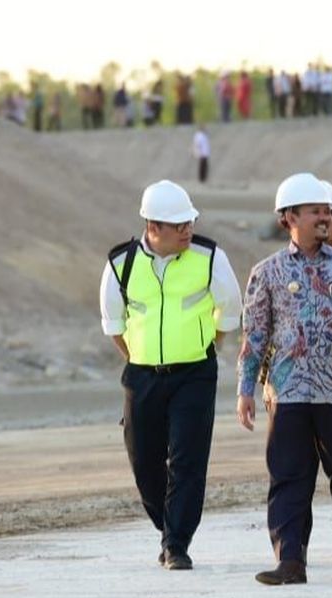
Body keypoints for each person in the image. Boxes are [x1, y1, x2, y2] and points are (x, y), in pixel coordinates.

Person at [237, 173, 332, 585]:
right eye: (314, 212)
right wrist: (246, 388)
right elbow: (254, 334)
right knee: (288, 474)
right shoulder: (266, 272)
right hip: (287, 392)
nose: (324, 218)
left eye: (327, 211)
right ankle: (290, 559)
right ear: (289, 217)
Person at [99, 180, 243, 571]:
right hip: (142, 376)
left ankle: (177, 544)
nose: (187, 230)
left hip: (195, 373)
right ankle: (169, 530)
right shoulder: (120, 264)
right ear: (153, 227)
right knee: (144, 463)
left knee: (187, 460)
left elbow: (229, 310)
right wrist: (141, 360)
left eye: (189, 222)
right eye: (178, 224)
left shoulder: (209, 257)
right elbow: (114, 325)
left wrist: (202, 347)